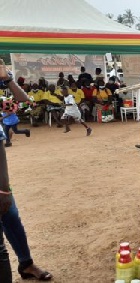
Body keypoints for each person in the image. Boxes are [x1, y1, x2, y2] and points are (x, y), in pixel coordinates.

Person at [0, 58, 54, 282]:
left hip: (1, 182)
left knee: (12, 219)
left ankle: (27, 264)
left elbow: (24, 100)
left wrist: (7, 78)